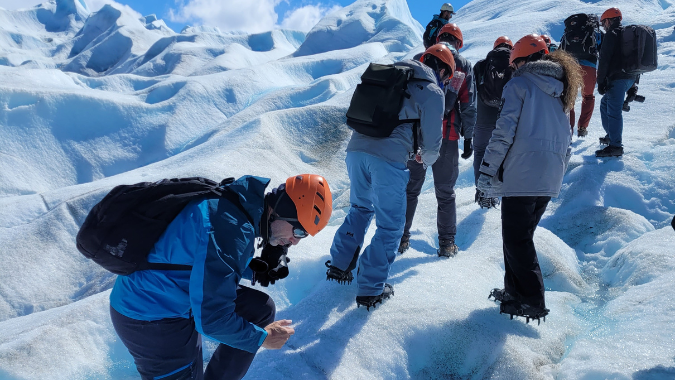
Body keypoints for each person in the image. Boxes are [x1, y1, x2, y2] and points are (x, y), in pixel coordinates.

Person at [110, 174, 333, 380]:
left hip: (176, 294)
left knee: (259, 308)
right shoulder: (231, 229)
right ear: (284, 211)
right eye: (299, 232)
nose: (295, 241)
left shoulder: (238, 205)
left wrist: (253, 269)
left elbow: (204, 257)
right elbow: (212, 318)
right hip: (150, 315)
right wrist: (262, 338)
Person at [326, 44, 450, 309]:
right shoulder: (431, 90)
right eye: (448, 76)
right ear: (442, 69)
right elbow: (432, 143)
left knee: (360, 208)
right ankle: (371, 289)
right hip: (388, 158)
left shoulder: (390, 73)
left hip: (356, 150)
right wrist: (424, 158)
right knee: (391, 225)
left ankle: (339, 265)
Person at [479, 34, 581, 322]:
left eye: (515, 64)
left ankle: (533, 299)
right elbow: (567, 138)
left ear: (522, 61)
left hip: (523, 173)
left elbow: (504, 131)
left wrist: (487, 171)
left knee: (515, 239)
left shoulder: (520, 84)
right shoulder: (562, 90)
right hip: (549, 175)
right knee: (520, 236)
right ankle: (514, 292)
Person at [399, 23, 476, 257]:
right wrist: (469, 137)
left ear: (438, 37)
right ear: (459, 44)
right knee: (445, 192)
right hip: (447, 137)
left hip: (415, 135)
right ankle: (447, 244)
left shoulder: (419, 58)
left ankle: (400, 238)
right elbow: (468, 104)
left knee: (410, 190)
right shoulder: (462, 66)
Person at [472, 36, 513, 209]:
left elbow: (473, 91)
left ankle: (482, 192)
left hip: (483, 116)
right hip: (505, 116)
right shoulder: (514, 63)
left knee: (481, 152)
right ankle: (498, 192)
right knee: (503, 153)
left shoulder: (481, 65)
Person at [596, 7, 637, 157]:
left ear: (608, 20)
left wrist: (600, 81)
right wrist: (633, 86)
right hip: (629, 78)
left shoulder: (611, 35)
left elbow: (604, 60)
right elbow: (635, 61)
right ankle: (611, 136)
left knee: (613, 112)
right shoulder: (628, 35)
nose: (603, 26)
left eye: (603, 23)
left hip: (617, 79)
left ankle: (615, 146)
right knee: (605, 104)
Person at [559, 14, 603, 137]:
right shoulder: (593, 33)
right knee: (588, 96)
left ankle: (569, 128)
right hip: (589, 66)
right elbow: (603, 50)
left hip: (570, 66)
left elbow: (561, 49)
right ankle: (582, 127)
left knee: (570, 97)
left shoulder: (569, 32)